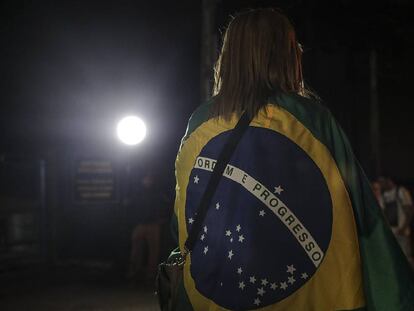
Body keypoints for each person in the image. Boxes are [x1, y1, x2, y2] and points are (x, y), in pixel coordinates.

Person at [170, 8, 414, 310]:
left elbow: (182, 216)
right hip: (310, 297)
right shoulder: (310, 119)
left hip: (217, 296)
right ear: (285, 55)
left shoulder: (200, 122)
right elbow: (359, 211)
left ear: (229, 57)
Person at [127, 171, 169, 284]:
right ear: (143, 180)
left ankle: (150, 276)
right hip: (140, 224)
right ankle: (134, 272)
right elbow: (132, 207)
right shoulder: (138, 193)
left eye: (150, 179)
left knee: (153, 252)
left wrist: (162, 219)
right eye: (146, 178)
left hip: (154, 225)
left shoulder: (158, 193)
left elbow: (166, 205)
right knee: (136, 249)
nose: (148, 181)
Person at [379, 177, 413, 261]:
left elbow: (409, 210)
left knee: (405, 256)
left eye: (382, 182)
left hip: (402, 232)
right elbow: (382, 213)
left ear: (388, 180)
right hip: (391, 232)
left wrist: (403, 228)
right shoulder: (384, 195)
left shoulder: (401, 191)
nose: (381, 185)